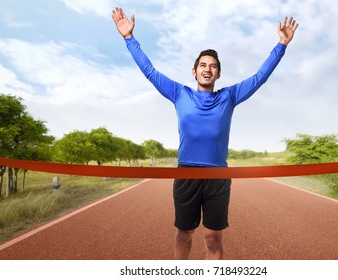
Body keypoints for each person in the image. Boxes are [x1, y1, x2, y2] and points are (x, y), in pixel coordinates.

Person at [111, 7, 298, 260]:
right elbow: (150, 72)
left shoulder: (229, 96)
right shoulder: (180, 94)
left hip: (218, 176)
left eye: (212, 66)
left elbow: (260, 77)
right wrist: (129, 38)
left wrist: (281, 45)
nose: (207, 69)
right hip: (186, 173)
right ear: (194, 71)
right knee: (184, 233)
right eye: (202, 65)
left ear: (218, 74)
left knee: (212, 238)